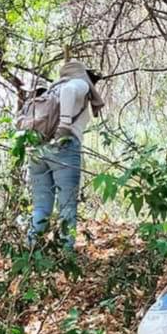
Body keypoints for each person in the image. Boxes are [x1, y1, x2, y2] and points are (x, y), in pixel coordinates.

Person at [28, 58, 105, 246]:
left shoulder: (52, 89)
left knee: (41, 207)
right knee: (67, 207)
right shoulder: (78, 84)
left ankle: (30, 249)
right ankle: (65, 255)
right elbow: (70, 91)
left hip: (38, 150)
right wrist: (64, 124)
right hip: (64, 148)